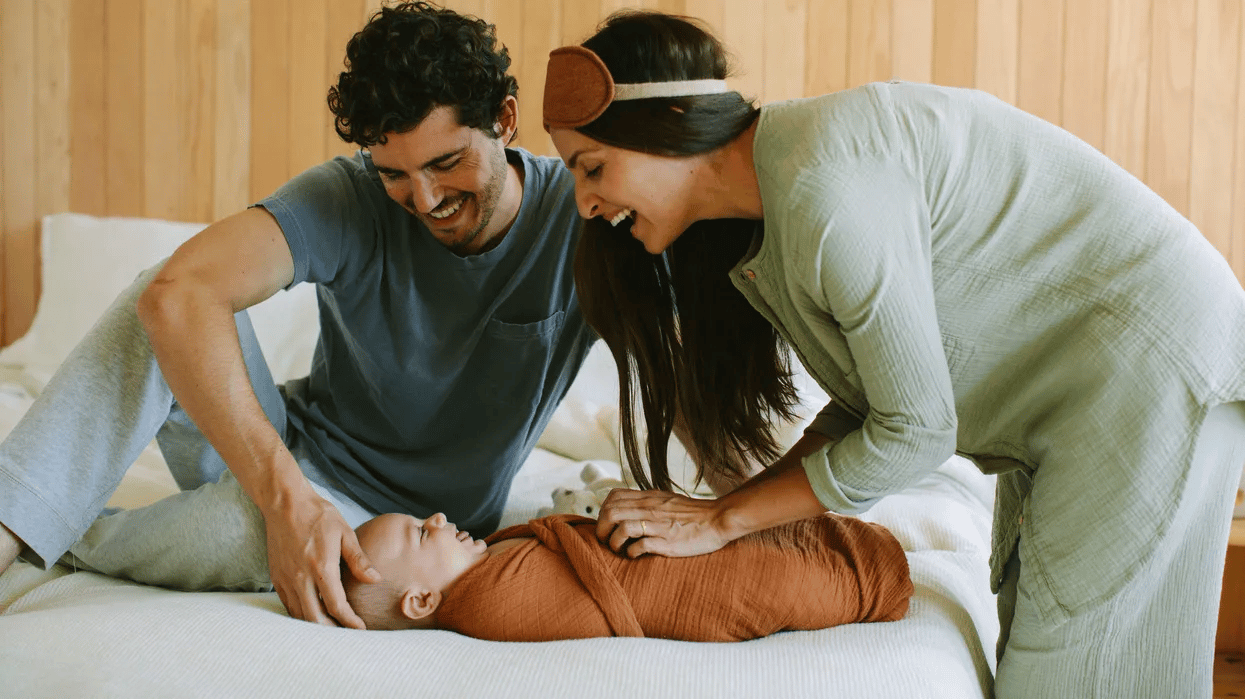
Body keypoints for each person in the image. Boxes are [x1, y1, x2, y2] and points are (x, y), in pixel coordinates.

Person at [540, 10, 1245, 698]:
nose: (584, 203)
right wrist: (726, 514)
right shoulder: (770, 217)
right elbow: (865, 407)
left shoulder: (824, 189)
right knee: (1039, 636)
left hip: (1149, 363)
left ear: (666, 125)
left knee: (1070, 672)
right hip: (1082, 394)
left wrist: (721, 519)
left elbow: (915, 431)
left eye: (592, 166)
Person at [0, 2, 594, 630]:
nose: (424, 200)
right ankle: (14, 529)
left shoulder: (582, 218)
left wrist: (710, 508)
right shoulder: (349, 195)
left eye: (446, 163)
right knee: (164, 292)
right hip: (279, 462)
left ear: (504, 121)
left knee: (235, 531)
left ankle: (74, 534)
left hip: (418, 537)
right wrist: (288, 504)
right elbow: (177, 297)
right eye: (395, 172)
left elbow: (682, 355)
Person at [341, 510, 912, 640]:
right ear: (419, 602)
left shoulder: (486, 567)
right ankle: (854, 567)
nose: (438, 517)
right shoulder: (487, 603)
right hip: (675, 586)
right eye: (421, 532)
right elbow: (601, 590)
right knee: (769, 577)